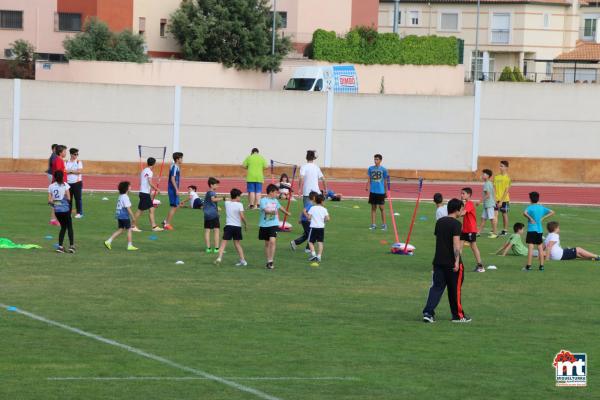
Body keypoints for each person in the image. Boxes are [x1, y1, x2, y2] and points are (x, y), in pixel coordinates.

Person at [422, 198, 471, 323]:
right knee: (455, 289)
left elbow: (439, 242)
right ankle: (458, 316)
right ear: (457, 209)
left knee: (436, 288)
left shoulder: (440, 222)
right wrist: (456, 261)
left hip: (438, 261)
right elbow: (456, 244)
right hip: (451, 262)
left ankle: (428, 312)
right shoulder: (456, 224)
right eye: (461, 208)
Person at [259, 184, 291, 270]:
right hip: (264, 224)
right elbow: (265, 209)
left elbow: (280, 207)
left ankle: (271, 260)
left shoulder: (275, 201)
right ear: (271, 192)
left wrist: (286, 212)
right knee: (267, 243)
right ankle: (268, 261)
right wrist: (272, 212)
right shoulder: (263, 200)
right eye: (276, 192)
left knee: (272, 241)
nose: (277, 194)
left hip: (274, 224)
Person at [215, 188, 248, 266]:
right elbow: (242, 216)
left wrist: (231, 197)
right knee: (237, 244)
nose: (240, 198)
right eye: (239, 196)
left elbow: (227, 199)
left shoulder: (227, 203)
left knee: (223, 243)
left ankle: (219, 257)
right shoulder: (240, 205)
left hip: (229, 226)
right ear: (236, 196)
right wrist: (246, 224)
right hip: (237, 227)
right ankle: (243, 260)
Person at [523, 191, 554, 271]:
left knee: (531, 247)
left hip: (531, 229)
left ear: (530, 199)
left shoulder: (530, 207)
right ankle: (541, 266)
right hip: (539, 230)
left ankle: (529, 266)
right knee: (540, 247)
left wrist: (530, 218)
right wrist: (543, 218)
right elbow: (552, 212)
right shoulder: (541, 207)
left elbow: (524, 213)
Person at [104, 181, 138, 251]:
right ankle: (130, 245)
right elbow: (128, 208)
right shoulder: (125, 197)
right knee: (129, 229)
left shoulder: (121, 196)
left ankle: (108, 241)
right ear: (126, 188)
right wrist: (133, 217)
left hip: (119, 215)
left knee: (121, 229)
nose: (130, 187)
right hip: (124, 215)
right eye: (129, 186)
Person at [132, 157, 163, 232]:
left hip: (144, 193)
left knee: (151, 209)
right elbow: (150, 182)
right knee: (140, 211)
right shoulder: (150, 172)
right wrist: (157, 189)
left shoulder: (144, 171)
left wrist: (149, 190)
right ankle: (132, 226)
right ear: (154, 164)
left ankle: (154, 226)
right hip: (144, 194)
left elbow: (144, 182)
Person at [48, 171, 74, 253]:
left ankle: (60, 247)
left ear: (54, 177)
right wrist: (63, 201)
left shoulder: (51, 186)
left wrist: (57, 203)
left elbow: (49, 201)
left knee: (63, 227)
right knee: (69, 226)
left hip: (57, 211)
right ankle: (71, 246)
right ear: (62, 177)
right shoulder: (65, 185)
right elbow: (69, 198)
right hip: (65, 210)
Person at [460, 187, 484, 272]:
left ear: (469, 195)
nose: (462, 195)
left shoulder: (469, 203)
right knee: (459, 246)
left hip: (471, 229)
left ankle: (480, 266)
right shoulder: (466, 203)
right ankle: (457, 264)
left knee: (473, 247)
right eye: (461, 193)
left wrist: (454, 213)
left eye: (463, 193)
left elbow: (463, 213)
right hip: (464, 229)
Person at [366, 154, 388, 230]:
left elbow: (385, 181)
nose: (376, 161)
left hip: (381, 192)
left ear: (380, 160)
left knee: (381, 208)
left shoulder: (384, 169)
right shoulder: (370, 168)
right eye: (375, 159)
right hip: (373, 191)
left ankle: (384, 225)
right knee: (373, 208)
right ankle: (373, 224)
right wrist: (367, 186)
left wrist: (386, 192)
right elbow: (369, 178)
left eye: (377, 159)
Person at [307, 193, 330, 263]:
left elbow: (309, 217)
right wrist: (323, 220)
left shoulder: (312, 208)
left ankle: (313, 255)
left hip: (313, 227)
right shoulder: (324, 209)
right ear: (322, 201)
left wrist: (309, 219)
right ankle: (319, 256)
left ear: (315, 200)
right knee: (320, 242)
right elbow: (328, 219)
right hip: (321, 228)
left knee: (310, 242)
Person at [164, 152, 183, 230]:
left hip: (173, 189)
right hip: (172, 189)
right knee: (174, 206)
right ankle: (167, 224)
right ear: (177, 159)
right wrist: (176, 189)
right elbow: (172, 179)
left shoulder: (176, 166)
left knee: (177, 205)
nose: (182, 160)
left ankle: (166, 220)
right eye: (181, 158)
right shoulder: (175, 167)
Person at [203, 177, 221, 253]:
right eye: (216, 185)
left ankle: (208, 248)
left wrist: (217, 208)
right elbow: (213, 199)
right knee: (216, 230)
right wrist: (223, 198)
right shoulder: (212, 192)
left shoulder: (208, 192)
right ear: (211, 185)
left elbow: (210, 203)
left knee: (207, 231)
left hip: (207, 214)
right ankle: (216, 249)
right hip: (213, 214)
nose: (217, 186)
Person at [494, 160, 512, 236]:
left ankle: (505, 230)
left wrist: (501, 201)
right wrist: (494, 198)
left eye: (502, 166)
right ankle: (494, 230)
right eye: (500, 166)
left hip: (504, 200)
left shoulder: (507, 178)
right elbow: (494, 188)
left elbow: (506, 191)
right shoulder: (496, 177)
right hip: (496, 199)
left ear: (506, 168)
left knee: (504, 214)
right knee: (495, 214)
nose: (500, 167)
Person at [479, 169, 497, 238]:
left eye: (484, 174)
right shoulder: (489, 183)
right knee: (483, 218)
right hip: (487, 204)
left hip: (489, 204)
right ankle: (479, 232)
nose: (483, 175)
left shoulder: (487, 184)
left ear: (488, 176)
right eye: (483, 174)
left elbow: (488, 195)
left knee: (492, 219)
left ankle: (495, 233)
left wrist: (479, 201)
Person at [66, 148, 84, 219]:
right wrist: (73, 171)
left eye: (77, 154)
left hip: (77, 183)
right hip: (68, 183)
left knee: (78, 199)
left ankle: (79, 213)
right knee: (69, 199)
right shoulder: (66, 162)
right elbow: (64, 171)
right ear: (71, 154)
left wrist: (70, 171)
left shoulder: (78, 162)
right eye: (75, 154)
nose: (76, 155)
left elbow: (79, 172)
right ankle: (69, 213)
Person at [47, 144, 59, 226]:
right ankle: (54, 219)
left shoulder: (55, 156)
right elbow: (57, 169)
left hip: (53, 175)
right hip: (54, 176)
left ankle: (53, 219)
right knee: (56, 197)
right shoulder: (55, 156)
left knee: (55, 196)